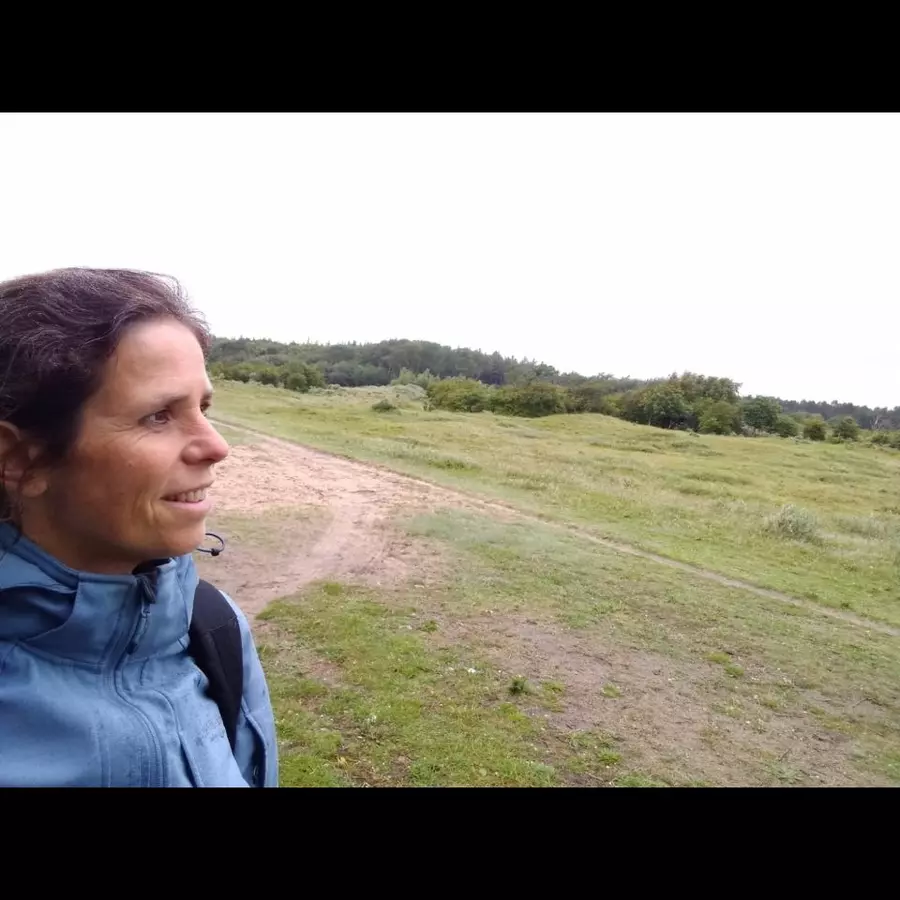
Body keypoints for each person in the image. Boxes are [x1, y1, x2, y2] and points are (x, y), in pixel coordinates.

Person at [0, 267, 279, 787]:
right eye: (159, 416)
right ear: (18, 460)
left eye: (203, 406)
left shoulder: (211, 628)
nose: (216, 446)